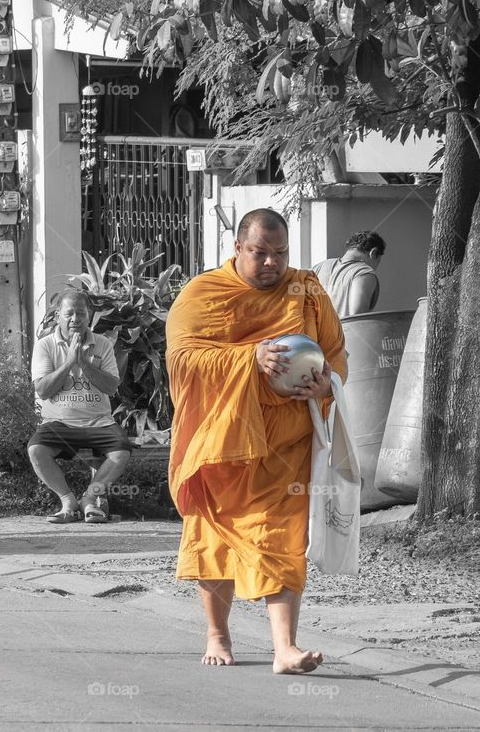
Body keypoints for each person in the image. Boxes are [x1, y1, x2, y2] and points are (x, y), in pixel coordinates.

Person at [166, 208, 347, 672]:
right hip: (221, 445)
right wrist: (251, 358)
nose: (272, 263)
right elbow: (184, 358)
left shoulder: (307, 291)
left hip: (287, 444)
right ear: (237, 248)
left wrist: (325, 385)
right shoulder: (205, 293)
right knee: (215, 538)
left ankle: (285, 648)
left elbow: (336, 356)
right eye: (259, 253)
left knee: (282, 538)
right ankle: (217, 634)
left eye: (280, 253)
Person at [28, 290, 132, 524]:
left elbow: (111, 387)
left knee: (121, 451)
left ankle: (89, 498)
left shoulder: (103, 344)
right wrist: (68, 362)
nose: (75, 319)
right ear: (58, 316)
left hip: (99, 422)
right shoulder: (45, 345)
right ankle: (68, 501)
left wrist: (84, 363)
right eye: (69, 314)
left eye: (81, 314)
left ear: (89, 316)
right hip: (58, 423)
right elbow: (42, 390)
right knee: (36, 450)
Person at [312, 230, 386, 317]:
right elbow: (358, 316)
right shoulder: (364, 273)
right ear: (373, 253)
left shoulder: (318, 268)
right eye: (378, 261)